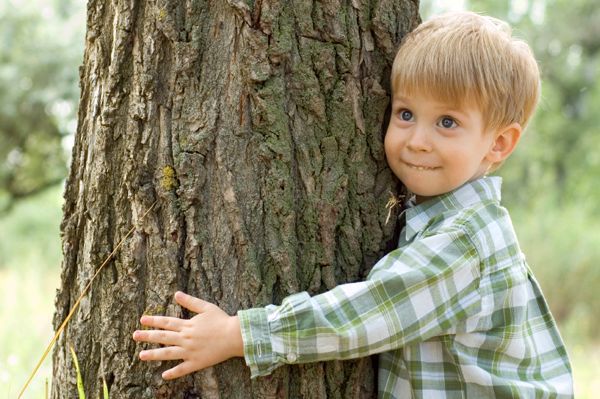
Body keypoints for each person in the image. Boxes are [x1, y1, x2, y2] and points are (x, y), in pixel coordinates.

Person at [133, 11, 574, 398]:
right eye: (405, 114)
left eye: (447, 122)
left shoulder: (464, 244)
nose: (417, 140)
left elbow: (365, 314)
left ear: (498, 143)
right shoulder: (443, 219)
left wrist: (239, 335)